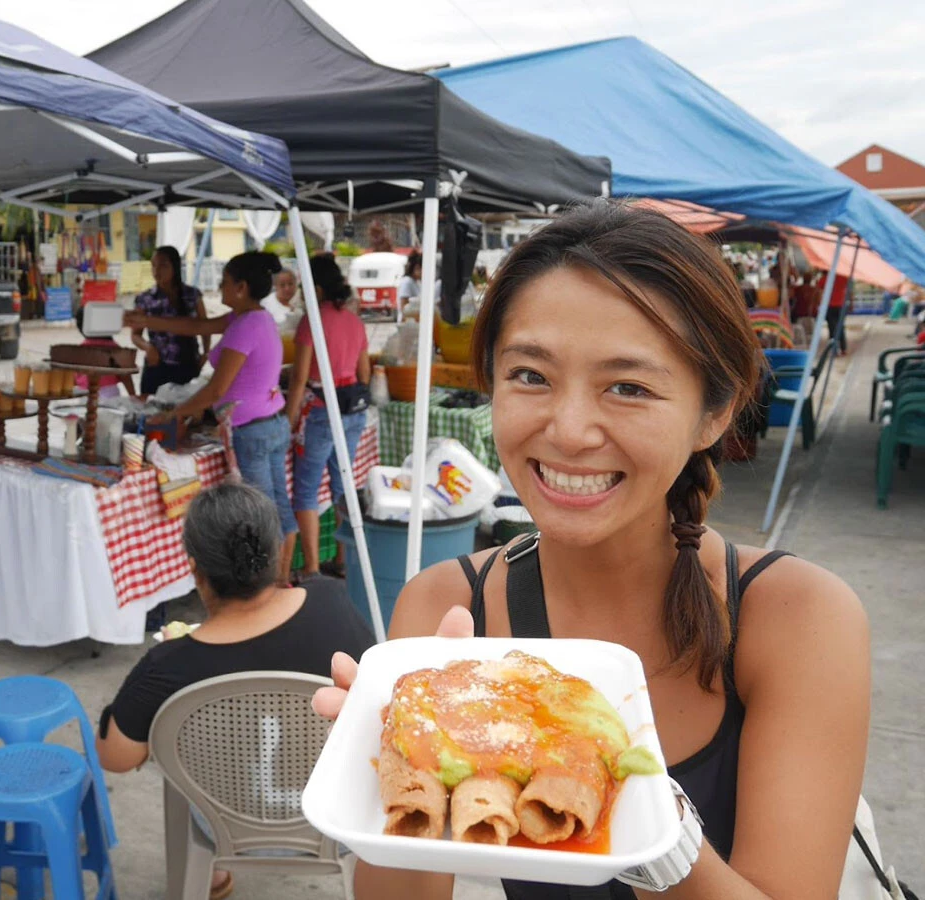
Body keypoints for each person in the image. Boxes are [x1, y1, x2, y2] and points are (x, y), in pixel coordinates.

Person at [314, 203, 869, 900]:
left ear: (715, 412)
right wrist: (394, 754)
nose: (570, 430)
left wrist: (635, 810)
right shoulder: (444, 607)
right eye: (530, 376)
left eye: (629, 387)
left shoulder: (796, 617)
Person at [96, 483, 374, 900]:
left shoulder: (168, 666)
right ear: (278, 549)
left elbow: (115, 757)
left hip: (224, 826)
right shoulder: (332, 604)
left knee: (180, 763)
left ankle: (211, 877)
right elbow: (374, 697)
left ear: (195, 569)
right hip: (339, 823)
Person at [126, 252, 300, 581]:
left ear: (241, 287)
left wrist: (175, 414)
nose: (219, 287)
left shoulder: (244, 326)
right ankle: (283, 583)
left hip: (254, 432)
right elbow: (197, 326)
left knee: (263, 514)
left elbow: (216, 390)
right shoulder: (253, 317)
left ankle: (274, 589)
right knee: (278, 507)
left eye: (224, 282)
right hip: (272, 423)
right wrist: (146, 322)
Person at [286, 254, 370, 577]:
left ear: (316, 288)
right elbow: (364, 373)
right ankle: (343, 560)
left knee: (306, 491)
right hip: (352, 412)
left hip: (320, 412)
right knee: (343, 487)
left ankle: (310, 568)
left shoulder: (312, 321)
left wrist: (289, 419)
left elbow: (298, 378)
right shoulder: (354, 321)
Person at [132, 245, 208, 395]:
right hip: (157, 366)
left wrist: (206, 353)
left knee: (186, 412)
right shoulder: (145, 299)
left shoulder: (192, 295)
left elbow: (206, 327)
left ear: (175, 267)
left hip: (188, 365)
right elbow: (135, 335)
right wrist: (148, 348)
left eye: (163, 265)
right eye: (153, 265)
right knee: (152, 410)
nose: (156, 271)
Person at [73, 306, 133, 399]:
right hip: (110, 392)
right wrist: (133, 396)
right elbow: (125, 376)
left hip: (84, 391)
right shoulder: (115, 349)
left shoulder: (79, 350)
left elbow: (73, 377)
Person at [824, 268, 850, 355]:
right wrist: (851, 303)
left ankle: (834, 349)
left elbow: (820, 293)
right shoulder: (843, 278)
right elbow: (849, 291)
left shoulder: (825, 279)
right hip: (841, 305)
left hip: (829, 305)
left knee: (831, 328)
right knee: (841, 327)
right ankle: (843, 348)